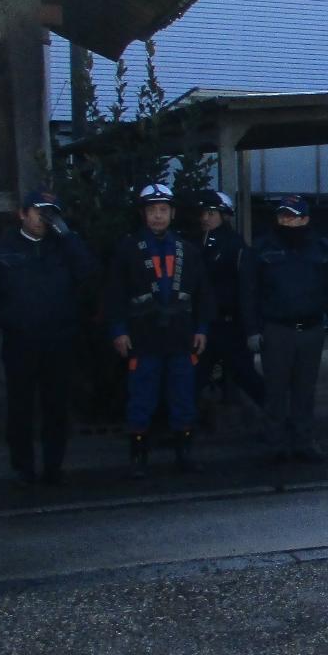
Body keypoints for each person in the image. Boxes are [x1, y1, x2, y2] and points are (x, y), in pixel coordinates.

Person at [0, 188, 96, 485]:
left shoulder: (63, 247)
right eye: (39, 212)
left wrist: (67, 235)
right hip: (20, 340)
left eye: (50, 213)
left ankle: (54, 466)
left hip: (58, 340)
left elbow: (89, 273)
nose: (44, 219)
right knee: (20, 407)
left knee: (56, 406)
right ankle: (23, 467)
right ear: (23, 214)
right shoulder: (1, 250)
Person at [106, 181, 213, 478]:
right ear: (143, 214)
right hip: (143, 335)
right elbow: (114, 294)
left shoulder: (188, 250)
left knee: (183, 396)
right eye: (152, 210)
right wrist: (118, 331)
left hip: (180, 334)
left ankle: (184, 454)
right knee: (141, 397)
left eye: (163, 210)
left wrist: (202, 328)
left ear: (172, 213)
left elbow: (203, 293)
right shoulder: (127, 249)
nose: (157, 216)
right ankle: (138, 457)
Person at [241, 192, 328, 463]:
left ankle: (303, 441)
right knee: (275, 390)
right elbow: (249, 292)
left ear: (305, 219)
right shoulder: (261, 249)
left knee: (305, 390)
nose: (287, 221)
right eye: (283, 215)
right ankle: (274, 443)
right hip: (277, 330)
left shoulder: (321, 248)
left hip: (311, 329)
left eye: (293, 216)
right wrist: (252, 330)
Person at [197, 190, 264, 412]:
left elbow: (247, 289)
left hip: (230, 324)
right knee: (196, 375)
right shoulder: (199, 243)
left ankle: (276, 415)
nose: (205, 218)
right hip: (206, 324)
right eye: (203, 213)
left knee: (244, 374)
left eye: (211, 213)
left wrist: (251, 328)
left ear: (223, 215)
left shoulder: (236, 246)